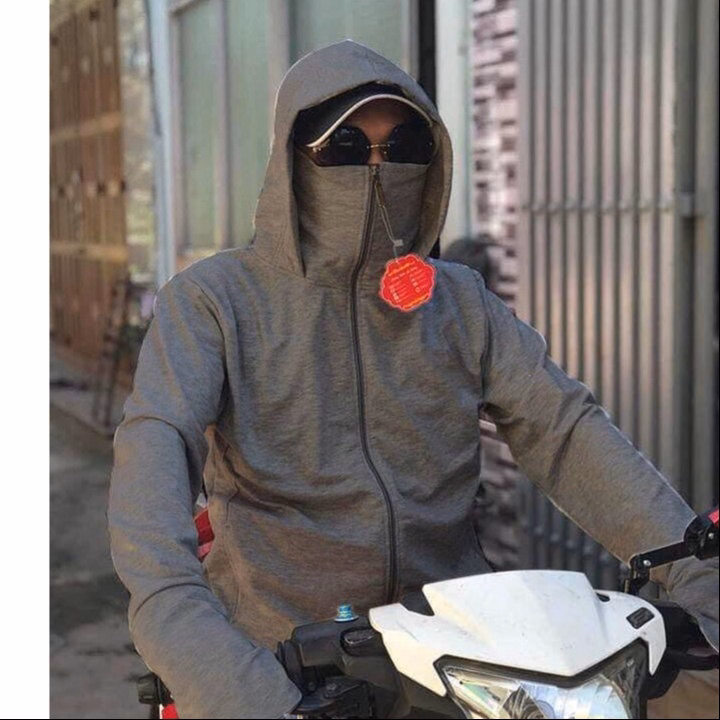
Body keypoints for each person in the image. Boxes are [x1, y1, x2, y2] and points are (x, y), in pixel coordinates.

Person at [107, 40, 718, 719]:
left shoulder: (460, 303)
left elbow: (564, 431)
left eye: (404, 146)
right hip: (282, 665)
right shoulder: (214, 301)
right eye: (345, 147)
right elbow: (155, 448)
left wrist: (696, 571)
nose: (378, 169)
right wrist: (195, 645)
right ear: (292, 160)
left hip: (463, 661)